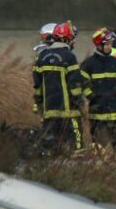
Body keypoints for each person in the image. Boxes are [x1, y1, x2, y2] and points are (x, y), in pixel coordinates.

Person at [33, 21, 89, 154]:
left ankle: (49, 170)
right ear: (66, 39)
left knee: (49, 147)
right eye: (72, 39)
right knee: (77, 147)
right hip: (69, 112)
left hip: (49, 112)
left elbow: (38, 85)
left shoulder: (42, 57)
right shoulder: (69, 57)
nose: (73, 42)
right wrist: (79, 101)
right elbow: (74, 83)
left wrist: (39, 104)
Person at [80, 27, 116, 148]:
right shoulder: (88, 64)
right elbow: (82, 83)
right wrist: (92, 97)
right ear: (98, 45)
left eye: (110, 44)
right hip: (97, 112)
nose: (109, 46)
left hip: (115, 111)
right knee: (98, 145)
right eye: (106, 44)